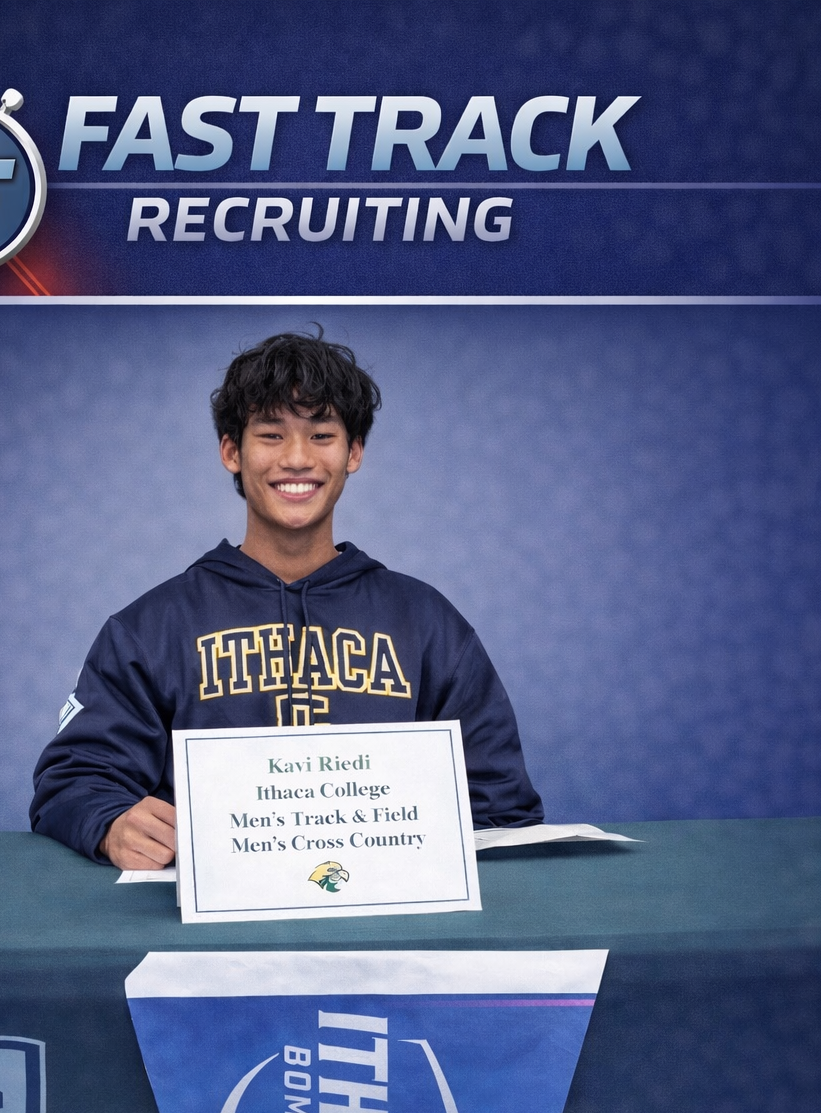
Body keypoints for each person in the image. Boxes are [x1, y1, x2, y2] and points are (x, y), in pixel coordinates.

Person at [30, 330, 543, 869]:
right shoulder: (151, 628)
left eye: (322, 434)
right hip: (204, 937)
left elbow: (500, 806)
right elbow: (72, 780)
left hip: (389, 923)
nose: (297, 459)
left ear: (354, 452)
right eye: (271, 435)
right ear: (232, 451)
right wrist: (111, 825)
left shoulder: (426, 623)